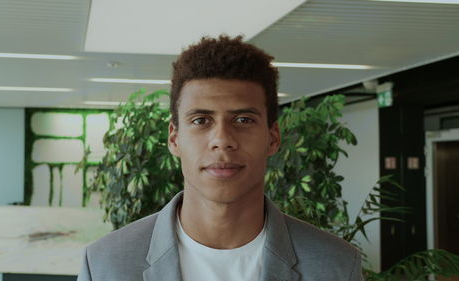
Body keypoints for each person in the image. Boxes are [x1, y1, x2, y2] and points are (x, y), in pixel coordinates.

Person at [77, 35, 363, 281]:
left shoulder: (335, 265)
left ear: (273, 137)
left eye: (243, 119)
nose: (222, 140)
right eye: (201, 120)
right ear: (174, 138)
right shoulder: (106, 265)